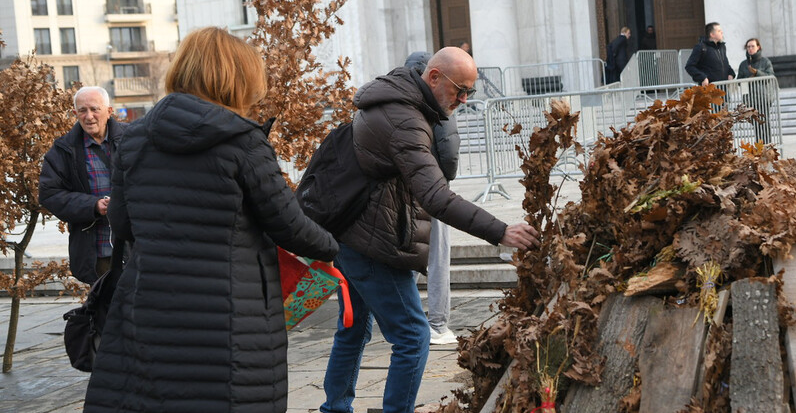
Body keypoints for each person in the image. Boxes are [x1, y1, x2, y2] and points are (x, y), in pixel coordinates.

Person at [83, 27, 338, 413]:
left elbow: (122, 224)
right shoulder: (243, 141)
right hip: (231, 312)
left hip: (151, 306)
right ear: (237, 80)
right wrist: (335, 247)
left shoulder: (133, 140)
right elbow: (289, 225)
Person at [321, 47, 539, 413]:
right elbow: (437, 196)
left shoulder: (401, 102)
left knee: (354, 327)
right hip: (371, 242)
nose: (465, 99)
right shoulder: (404, 119)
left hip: (350, 232)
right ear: (434, 77)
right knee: (413, 336)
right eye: (460, 89)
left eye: (471, 91)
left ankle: (335, 409)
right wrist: (501, 231)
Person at [39, 86, 129, 285]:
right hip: (97, 251)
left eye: (95, 109)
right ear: (75, 113)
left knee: (140, 310)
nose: (89, 116)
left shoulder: (132, 139)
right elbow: (49, 194)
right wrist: (94, 205)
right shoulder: (63, 149)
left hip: (137, 246)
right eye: (82, 110)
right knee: (106, 310)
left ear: (109, 111)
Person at [404, 51, 459, 346]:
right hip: (433, 186)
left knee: (409, 253)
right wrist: (444, 179)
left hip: (405, 188)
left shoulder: (401, 99)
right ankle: (437, 323)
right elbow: (448, 153)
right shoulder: (439, 105)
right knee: (438, 255)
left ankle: (404, 316)